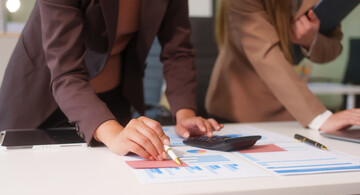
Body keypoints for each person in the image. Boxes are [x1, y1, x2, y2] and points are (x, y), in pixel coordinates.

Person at [0, 0, 223, 161]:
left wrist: (185, 115)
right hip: (44, 102)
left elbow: (177, 51)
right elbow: (66, 72)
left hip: (112, 100)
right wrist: (115, 135)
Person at [206, 0, 360, 132]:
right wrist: (320, 118)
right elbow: (265, 54)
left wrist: (310, 40)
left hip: (291, 109)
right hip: (242, 106)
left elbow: (334, 47)